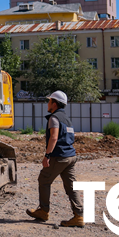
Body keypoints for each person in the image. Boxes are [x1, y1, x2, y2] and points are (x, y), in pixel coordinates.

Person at [26, 90, 84, 227]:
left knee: (44, 180)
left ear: (54, 103)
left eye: (49, 101)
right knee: (71, 186)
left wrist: (47, 155)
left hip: (59, 156)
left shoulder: (54, 118)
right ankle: (79, 216)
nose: (48, 103)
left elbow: (54, 137)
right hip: (70, 156)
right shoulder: (67, 119)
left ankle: (43, 211)